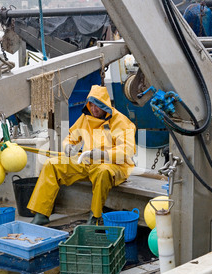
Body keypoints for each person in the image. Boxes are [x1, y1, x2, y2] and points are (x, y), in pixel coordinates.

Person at [28, 85, 136, 225]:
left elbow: (127, 151)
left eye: (98, 106)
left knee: (102, 172)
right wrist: (68, 147)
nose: (94, 109)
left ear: (106, 105)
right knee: (51, 164)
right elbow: (71, 137)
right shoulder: (86, 118)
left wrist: (103, 154)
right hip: (88, 162)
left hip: (115, 166)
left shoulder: (121, 121)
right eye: (91, 105)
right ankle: (41, 213)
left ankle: (95, 217)